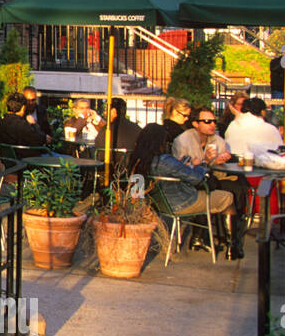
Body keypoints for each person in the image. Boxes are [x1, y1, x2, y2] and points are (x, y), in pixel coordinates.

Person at [130, 122, 233, 251]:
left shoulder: (138, 159)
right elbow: (197, 179)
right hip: (182, 203)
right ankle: (231, 245)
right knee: (227, 197)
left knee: (207, 195)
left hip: (160, 204)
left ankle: (200, 237)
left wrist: (184, 164)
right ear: (160, 142)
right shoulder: (165, 160)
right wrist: (201, 165)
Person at [173, 106, 248, 258]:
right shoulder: (183, 141)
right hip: (189, 184)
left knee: (239, 186)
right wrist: (206, 161)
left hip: (211, 179)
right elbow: (183, 169)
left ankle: (219, 238)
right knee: (228, 192)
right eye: (207, 121)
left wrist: (221, 160)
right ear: (196, 124)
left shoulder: (218, 140)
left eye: (214, 121)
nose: (212, 124)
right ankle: (230, 243)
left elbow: (219, 169)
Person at [106, 97, 142, 168]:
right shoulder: (136, 129)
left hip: (106, 170)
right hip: (130, 170)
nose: (106, 113)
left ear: (113, 111)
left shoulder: (106, 130)